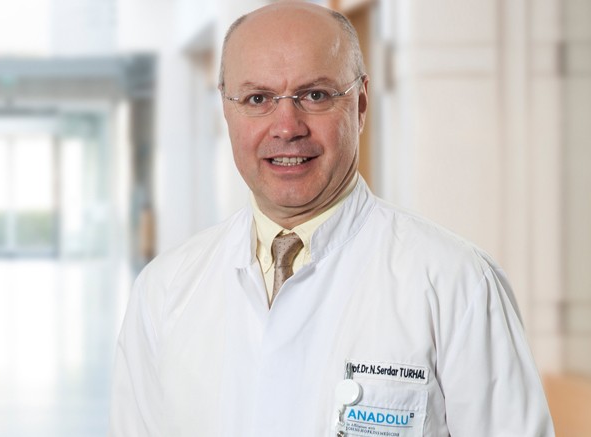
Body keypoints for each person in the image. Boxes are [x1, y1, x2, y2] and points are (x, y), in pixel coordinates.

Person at [109, 2, 555, 436]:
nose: (287, 127)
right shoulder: (164, 291)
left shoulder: (456, 282)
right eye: (258, 98)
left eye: (315, 95)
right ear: (227, 110)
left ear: (360, 104)